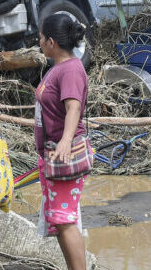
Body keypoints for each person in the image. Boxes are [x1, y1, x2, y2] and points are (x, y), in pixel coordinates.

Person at [35, 14, 90, 270]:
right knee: (59, 220)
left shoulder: (70, 69)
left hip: (64, 155)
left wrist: (65, 141)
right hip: (52, 155)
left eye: (41, 37)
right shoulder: (58, 67)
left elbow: (73, 108)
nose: (39, 41)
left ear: (52, 41)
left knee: (65, 219)